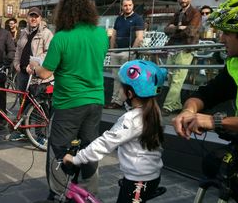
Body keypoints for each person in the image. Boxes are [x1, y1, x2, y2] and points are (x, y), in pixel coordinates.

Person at [172, 0, 238, 203]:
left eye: (227, 32)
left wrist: (214, 120)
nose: (221, 38)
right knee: (214, 163)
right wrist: (188, 111)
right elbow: (205, 94)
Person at [29, 0, 109, 201]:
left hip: (68, 103)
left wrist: (34, 66)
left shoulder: (61, 38)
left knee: (58, 148)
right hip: (95, 101)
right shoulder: (101, 34)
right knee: (90, 148)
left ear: (63, 12)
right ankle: (90, 193)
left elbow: (46, 72)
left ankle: (59, 193)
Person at [64, 60, 167, 203]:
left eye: (120, 87)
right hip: (149, 176)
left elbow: (105, 143)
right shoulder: (153, 113)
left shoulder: (131, 119)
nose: (119, 90)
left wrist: (76, 159)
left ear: (129, 93)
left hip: (138, 182)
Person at [8, 7, 53, 141]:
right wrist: (17, 65)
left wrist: (35, 65)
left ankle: (41, 135)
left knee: (39, 105)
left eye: (36, 16)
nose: (33, 19)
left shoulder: (46, 33)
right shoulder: (23, 33)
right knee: (23, 102)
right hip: (22, 73)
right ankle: (23, 131)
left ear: (40, 18)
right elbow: (18, 51)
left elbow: (49, 53)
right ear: (27, 17)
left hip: (37, 74)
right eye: (31, 16)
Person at [162, 0, 201, 116]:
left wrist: (176, 28)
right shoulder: (177, 13)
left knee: (177, 78)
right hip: (173, 47)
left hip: (186, 48)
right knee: (171, 77)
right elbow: (166, 30)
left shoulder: (195, 13)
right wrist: (180, 28)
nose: (182, 0)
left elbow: (191, 31)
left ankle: (167, 106)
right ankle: (176, 105)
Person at [105, 0, 144, 110]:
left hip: (128, 53)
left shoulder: (137, 19)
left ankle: (124, 101)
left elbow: (139, 37)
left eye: (130, 5)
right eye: (125, 5)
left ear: (133, 6)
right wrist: (111, 50)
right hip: (116, 52)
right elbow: (114, 35)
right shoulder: (119, 19)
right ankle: (115, 101)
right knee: (116, 78)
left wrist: (131, 51)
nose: (128, 7)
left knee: (127, 79)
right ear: (122, 6)